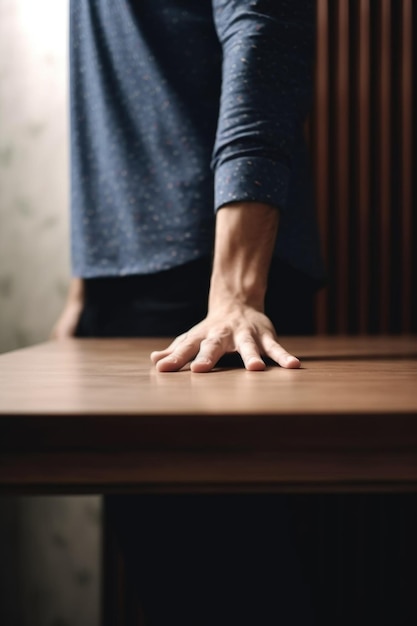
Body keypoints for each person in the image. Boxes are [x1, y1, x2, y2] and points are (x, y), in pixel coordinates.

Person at [52, 1, 324, 623]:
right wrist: (85, 286)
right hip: (126, 282)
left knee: (237, 592)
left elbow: (265, 35)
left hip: (212, 288)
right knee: (171, 584)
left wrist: (234, 291)